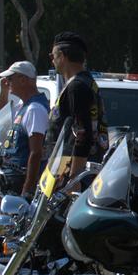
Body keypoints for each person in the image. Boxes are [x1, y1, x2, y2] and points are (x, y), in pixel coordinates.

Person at [46, 32, 105, 180]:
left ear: (62, 56)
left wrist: (74, 178)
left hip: (71, 171)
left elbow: (83, 132)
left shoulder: (77, 87)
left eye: (52, 56)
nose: (52, 60)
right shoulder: (86, 82)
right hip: (72, 167)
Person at [0, 60, 49, 197]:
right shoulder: (24, 106)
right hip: (10, 179)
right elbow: (0, 119)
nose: (7, 82)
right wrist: (4, 91)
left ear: (23, 80)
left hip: (20, 181)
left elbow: (36, 152)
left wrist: (28, 188)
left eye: (10, 78)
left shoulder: (34, 109)